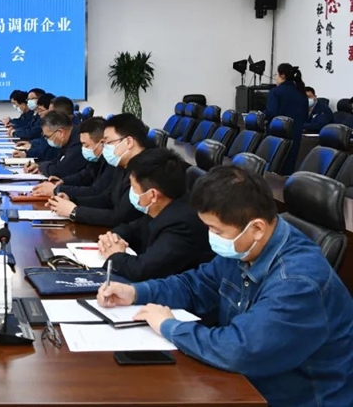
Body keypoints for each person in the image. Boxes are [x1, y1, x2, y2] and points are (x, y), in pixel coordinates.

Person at [97, 166, 353, 407]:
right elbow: (196, 284)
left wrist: (169, 326)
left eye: (216, 230)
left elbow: (241, 350)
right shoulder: (247, 248)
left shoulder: (298, 282)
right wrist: (136, 292)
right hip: (246, 383)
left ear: (257, 228)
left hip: (292, 398)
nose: (211, 237)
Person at [96, 148, 214, 281]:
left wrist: (115, 255)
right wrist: (113, 238)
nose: (131, 191)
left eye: (133, 187)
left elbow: (142, 270)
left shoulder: (183, 225)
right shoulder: (165, 203)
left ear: (152, 195)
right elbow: (131, 228)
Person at [48, 113, 147, 227]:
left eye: (108, 143)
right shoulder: (122, 164)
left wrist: (75, 212)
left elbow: (119, 217)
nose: (105, 148)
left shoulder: (146, 170)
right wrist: (72, 200)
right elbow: (107, 198)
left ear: (128, 142)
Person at [32, 117, 115, 198]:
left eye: (86, 145)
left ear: (102, 143)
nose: (83, 148)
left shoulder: (112, 162)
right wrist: (64, 181)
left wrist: (58, 190)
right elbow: (87, 175)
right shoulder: (98, 158)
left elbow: (96, 191)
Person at [265, 63, 308, 174]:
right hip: (295, 136)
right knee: (288, 170)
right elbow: (305, 116)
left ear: (282, 75)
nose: (275, 77)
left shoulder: (276, 92)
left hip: (276, 136)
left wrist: (261, 115)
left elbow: (271, 112)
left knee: (272, 169)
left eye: (276, 75)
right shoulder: (301, 92)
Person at [25, 110, 86, 178]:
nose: (47, 140)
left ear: (60, 132)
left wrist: (41, 167)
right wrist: (39, 165)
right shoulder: (69, 138)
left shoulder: (79, 141)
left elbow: (60, 171)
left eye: (47, 137)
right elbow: (58, 160)